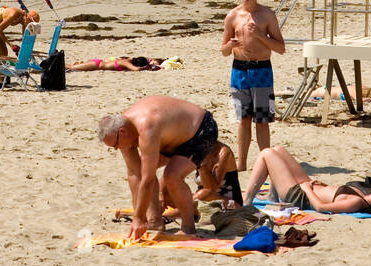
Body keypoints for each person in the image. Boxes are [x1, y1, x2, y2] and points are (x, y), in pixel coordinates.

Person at [99, 97, 218, 238]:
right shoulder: (123, 129)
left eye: (115, 145)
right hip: (171, 137)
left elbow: (148, 180)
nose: (116, 149)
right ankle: (155, 221)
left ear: (122, 132)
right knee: (140, 170)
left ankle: (188, 227)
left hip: (201, 130)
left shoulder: (146, 127)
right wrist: (141, 216)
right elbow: (134, 174)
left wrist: (137, 218)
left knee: (172, 175)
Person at [221, 0, 285, 170]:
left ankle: (266, 162)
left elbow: (281, 48)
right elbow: (223, 51)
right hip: (239, 70)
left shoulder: (267, 15)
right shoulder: (233, 16)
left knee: (263, 119)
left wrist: (260, 36)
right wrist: (230, 46)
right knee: (243, 119)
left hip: (262, 70)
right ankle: (242, 163)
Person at [246, 146, 371, 216]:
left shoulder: (356, 203)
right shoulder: (363, 196)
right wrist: (318, 185)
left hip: (299, 195)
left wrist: (308, 190)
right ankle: (272, 197)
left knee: (267, 153)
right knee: (278, 150)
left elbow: (321, 207)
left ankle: (245, 202)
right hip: (309, 185)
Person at [193, 141, 243, 206]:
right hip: (204, 200)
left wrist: (202, 166)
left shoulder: (223, 153)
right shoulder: (195, 149)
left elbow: (212, 190)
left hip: (230, 203)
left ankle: (177, 212)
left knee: (204, 193)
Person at [67, 56, 162, 72]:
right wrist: (147, 67)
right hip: (97, 65)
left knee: (72, 67)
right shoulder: (126, 62)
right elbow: (136, 69)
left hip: (98, 63)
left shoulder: (126, 60)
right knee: (72, 67)